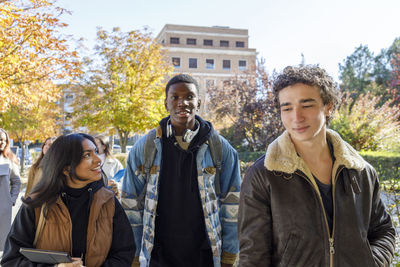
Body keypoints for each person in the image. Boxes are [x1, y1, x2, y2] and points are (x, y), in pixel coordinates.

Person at [238, 65, 396, 266]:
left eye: (307, 105)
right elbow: (253, 256)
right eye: (287, 108)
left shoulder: (361, 171)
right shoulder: (263, 175)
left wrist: (370, 263)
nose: (296, 117)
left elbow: (383, 230)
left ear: (328, 106)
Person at [122, 74, 241, 267]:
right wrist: (134, 255)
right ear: (165, 103)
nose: (182, 102)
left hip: (206, 255)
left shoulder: (219, 148)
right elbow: (130, 204)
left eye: (189, 97)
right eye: (175, 97)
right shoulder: (145, 147)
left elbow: (233, 204)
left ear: (199, 102)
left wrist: (229, 254)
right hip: (158, 256)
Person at [1, 133, 135, 267]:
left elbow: (124, 253)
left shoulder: (108, 201)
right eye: (87, 155)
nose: (98, 160)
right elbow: (11, 260)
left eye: (96, 152)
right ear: (66, 167)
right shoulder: (36, 204)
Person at [0, 128, 21, 251]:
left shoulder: (10, 160)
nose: (1, 142)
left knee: (2, 240)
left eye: (4, 140)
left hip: (3, 207)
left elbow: (16, 181)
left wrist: (11, 200)